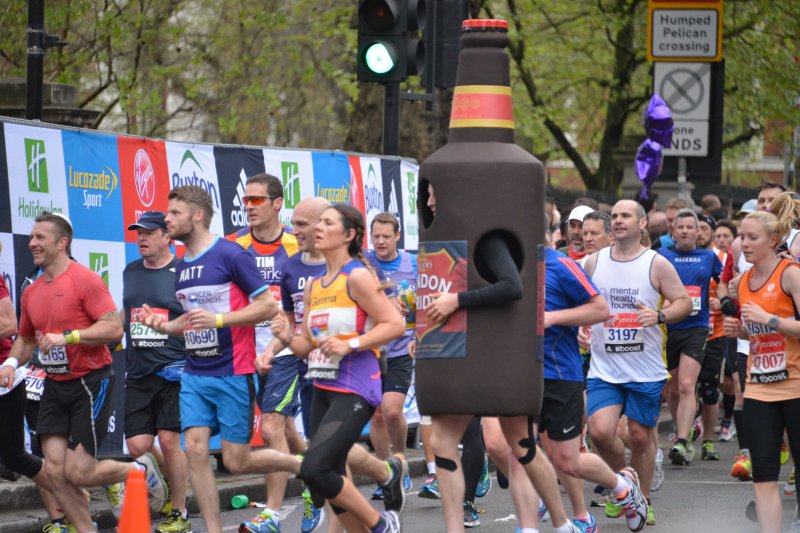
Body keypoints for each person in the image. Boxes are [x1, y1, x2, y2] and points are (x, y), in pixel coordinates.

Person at [424, 183, 586, 533]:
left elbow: (512, 286)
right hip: (459, 356)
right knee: (443, 442)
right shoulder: (442, 242)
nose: (430, 201)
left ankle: (561, 523)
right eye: (429, 193)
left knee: (522, 445)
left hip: (500, 357)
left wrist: (457, 300)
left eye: (437, 192)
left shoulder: (487, 239)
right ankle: (454, 528)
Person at [141, 186, 300, 533]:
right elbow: (191, 318)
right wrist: (164, 325)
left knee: (236, 461)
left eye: (174, 214)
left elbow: (268, 306)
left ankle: (305, 464)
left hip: (233, 370)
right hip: (196, 373)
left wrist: (219, 321)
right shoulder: (182, 265)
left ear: (197, 216)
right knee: (195, 450)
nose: (167, 219)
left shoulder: (231, 255)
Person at [2, 212, 166, 533]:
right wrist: (9, 364)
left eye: (40, 238)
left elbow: (113, 329)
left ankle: (136, 470)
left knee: (79, 473)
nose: (32, 243)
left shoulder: (85, 280)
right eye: (31, 237)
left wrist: (69, 337)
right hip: (54, 384)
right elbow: (25, 338)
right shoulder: (32, 291)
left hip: (90, 383)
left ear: (62, 243)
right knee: (52, 472)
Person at [268, 204, 406, 533]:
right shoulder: (314, 286)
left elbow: (394, 324)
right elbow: (306, 345)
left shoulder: (356, 275)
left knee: (315, 467)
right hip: (322, 387)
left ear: (348, 235)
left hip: (356, 386)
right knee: (323, 481)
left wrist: (352, 343)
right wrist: (285, 337)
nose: (317, 228)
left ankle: (381, 523)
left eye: (327, 223)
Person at [583, 199, 692, 527]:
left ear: (642, 223)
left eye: (625, 215)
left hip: (645, 368)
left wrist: (658, 315)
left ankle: (642, 499)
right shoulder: (593, 262)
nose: (617, 220)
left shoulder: (655, 264)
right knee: (600, 432)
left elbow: (684, 302)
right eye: (614, 215)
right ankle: (623, 484)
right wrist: (581, 327)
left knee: (641, 437)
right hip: (604, 367)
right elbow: (579, 301)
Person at [226, 174, 303, 533]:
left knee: (271, 428)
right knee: (286, 429)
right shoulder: (233, 244)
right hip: (243, 352)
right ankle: (316, 475)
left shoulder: (296, 245)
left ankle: (271, 515)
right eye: (245, 200)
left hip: (286, 351)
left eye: (257, 200)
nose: (249, 207)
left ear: (277, 204)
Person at [723, 210, 800, 533]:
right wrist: (739, 330)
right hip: (759, 388)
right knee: (764, 475)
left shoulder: (790, 274)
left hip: (796, 386)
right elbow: (757, 332)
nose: (745, 243)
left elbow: (778, 324)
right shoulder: (741, 283)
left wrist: (771, 319)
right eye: (742, 236)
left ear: (773, 240)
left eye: (752, 237)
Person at [0, 240, 80, 533]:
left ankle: (76, 501)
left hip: (19, 376)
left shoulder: (79, 279)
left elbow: (9, 324)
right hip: (28, 372)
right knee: (21, 453)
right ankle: (63, 516)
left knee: (20, 456)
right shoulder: (29, 285)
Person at [121, 210, 191, 533]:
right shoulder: (130, 270)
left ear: (167, 237)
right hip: (138, 371)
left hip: (173, 370)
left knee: (168, 441)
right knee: (137, 446)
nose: (142, 238)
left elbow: (194, 318)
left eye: (149, 233)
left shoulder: (183, 271)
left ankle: (179, 510)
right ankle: (166, 489)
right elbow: (127, 312)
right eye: (139, 233)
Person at [658, 210, 722, 465]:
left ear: (699, 232)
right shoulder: (662, 256)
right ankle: (682, 428)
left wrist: (724, 298)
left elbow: (726, 281)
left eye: (689, 227)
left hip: (696, 328)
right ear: (672, 231)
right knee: (673, 389)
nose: (684, 231)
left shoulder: (708, 257)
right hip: (668, 328)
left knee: (686, 384)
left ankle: (682, 442)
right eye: (680, 227)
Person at [366, 212, 416, 499]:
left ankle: (401, 460)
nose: (381, 241)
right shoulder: (364, 264)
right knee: (376, 416)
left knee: (392, 410)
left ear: (398, 236)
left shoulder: (413, 265)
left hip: (400, 349)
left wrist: (420, 336)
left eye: (386, 236)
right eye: (376, 236)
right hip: (372, 350)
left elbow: (426, 302)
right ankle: (386, 474)